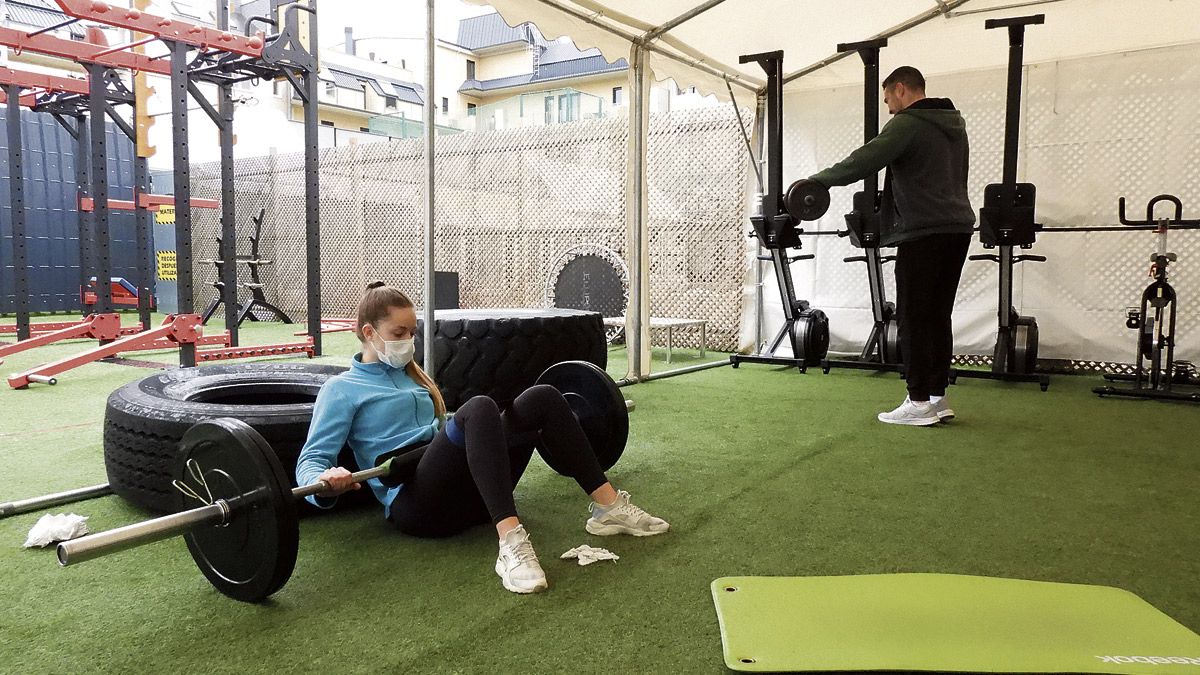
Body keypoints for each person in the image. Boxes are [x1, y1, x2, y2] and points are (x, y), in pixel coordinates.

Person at [295, 282, 668, 594]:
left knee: (543, 396)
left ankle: (608, 509)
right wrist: (323, 480)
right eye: (398, 333)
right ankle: (510, 543)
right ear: (368, 333)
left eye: (412, 333)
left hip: (471, 499)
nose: (408, 341)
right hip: (418, 505)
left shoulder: (414, 378)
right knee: (479, 406)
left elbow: (446, 437)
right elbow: (309, 462)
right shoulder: (341, 389)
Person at [808, 66, 975, 426]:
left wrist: (818, 181)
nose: (888, 109)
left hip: (924, 233)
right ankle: (936, 396)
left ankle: (917, 402)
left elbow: (866, 158)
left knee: (913, 316)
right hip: (957, 229)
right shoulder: (953, 125)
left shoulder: (909, 123)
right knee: (937, 316)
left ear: (901, 89)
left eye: (888, 100)